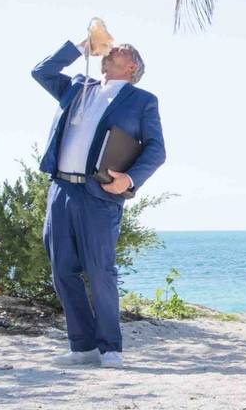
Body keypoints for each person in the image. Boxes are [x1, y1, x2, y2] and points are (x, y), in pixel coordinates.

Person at [32, 37, 166, 368]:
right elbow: (41, 71)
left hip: (99, 196)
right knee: (62, 271)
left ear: (131, 66)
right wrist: (80, 48)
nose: (110, 50)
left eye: (117, 49)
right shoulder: (78, 86)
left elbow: (156, 149)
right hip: (61, 190)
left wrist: (130, 179)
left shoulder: (142, 101)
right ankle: (83, 347)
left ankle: (110, 348)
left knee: (100, 271)